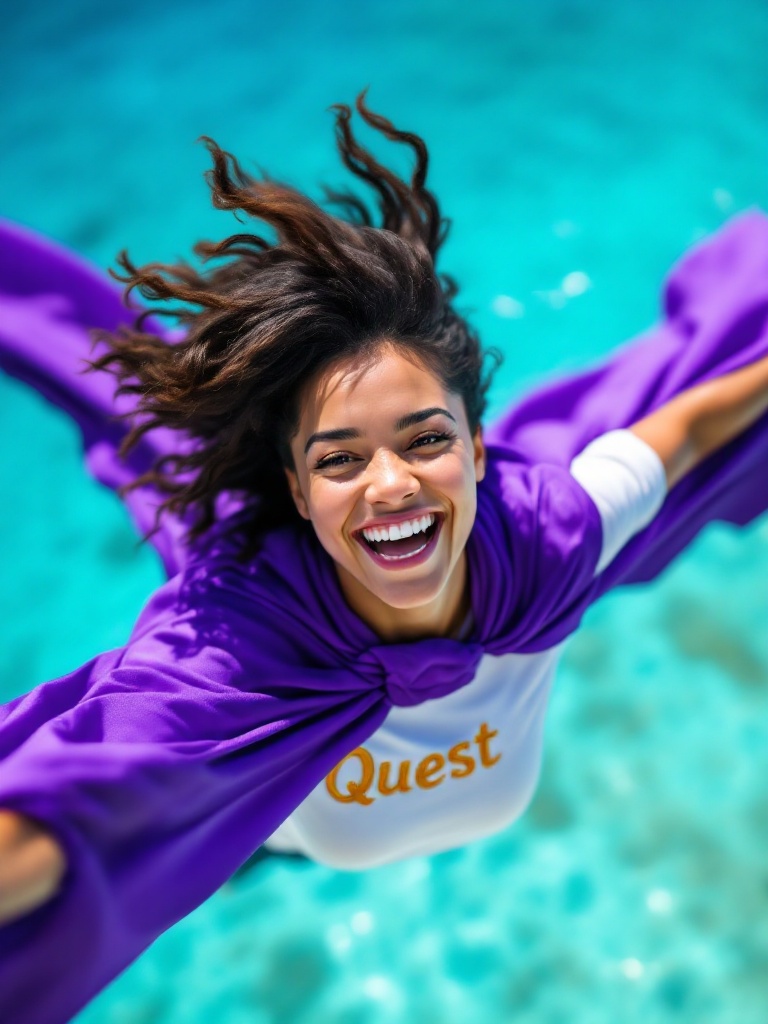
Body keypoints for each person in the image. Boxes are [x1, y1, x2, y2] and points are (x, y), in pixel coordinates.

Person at [0, 91, 767, 1023]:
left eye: (426, 440)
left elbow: (683, 431)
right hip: (270, 816)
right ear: (297, 488)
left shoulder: (549, 538)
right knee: (123, 395)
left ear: (480, 449)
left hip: (475, 561)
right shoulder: (239, 651)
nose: (392, 484)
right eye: (340, 459)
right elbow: (86, 803)